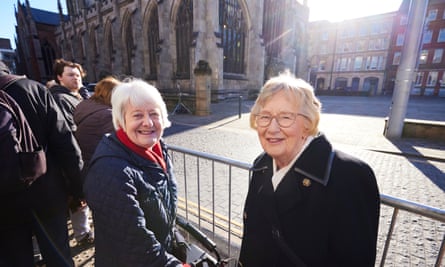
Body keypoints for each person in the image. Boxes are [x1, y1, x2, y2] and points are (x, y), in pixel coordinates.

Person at [238, 71, 380, 267]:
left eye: (285, 117)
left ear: (307, 123)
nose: (271, 128)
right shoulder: (262, 164)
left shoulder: (350, 176)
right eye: (264, 117)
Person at [83, 79, 189, 267]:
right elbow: (133, 243)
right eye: (137, 115)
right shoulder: (111, 170)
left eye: (154, 114)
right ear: (122, 120)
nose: (148, 123)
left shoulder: (158, 149)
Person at [0, 60, 83, 266]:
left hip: (4, 203)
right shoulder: (32, 89)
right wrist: (79, 189)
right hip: (46, 193)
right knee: (58, 256)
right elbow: (66, 145)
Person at [50, 58, 94, 246]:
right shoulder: (61, 98)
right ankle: (82, 234)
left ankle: (83, 231)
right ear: (59, 77)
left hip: (82, 153)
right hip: (74, 155)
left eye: (77, 75)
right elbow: (70, 131)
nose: (76, 78)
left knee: (80, 194)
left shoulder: (76, 96)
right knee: (78, 195)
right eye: (70, 75)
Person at [74, 76, 120, 172]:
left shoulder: (86, 105)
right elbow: (120, 145)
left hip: (85, 161)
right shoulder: (107, 115)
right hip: (101, 166)